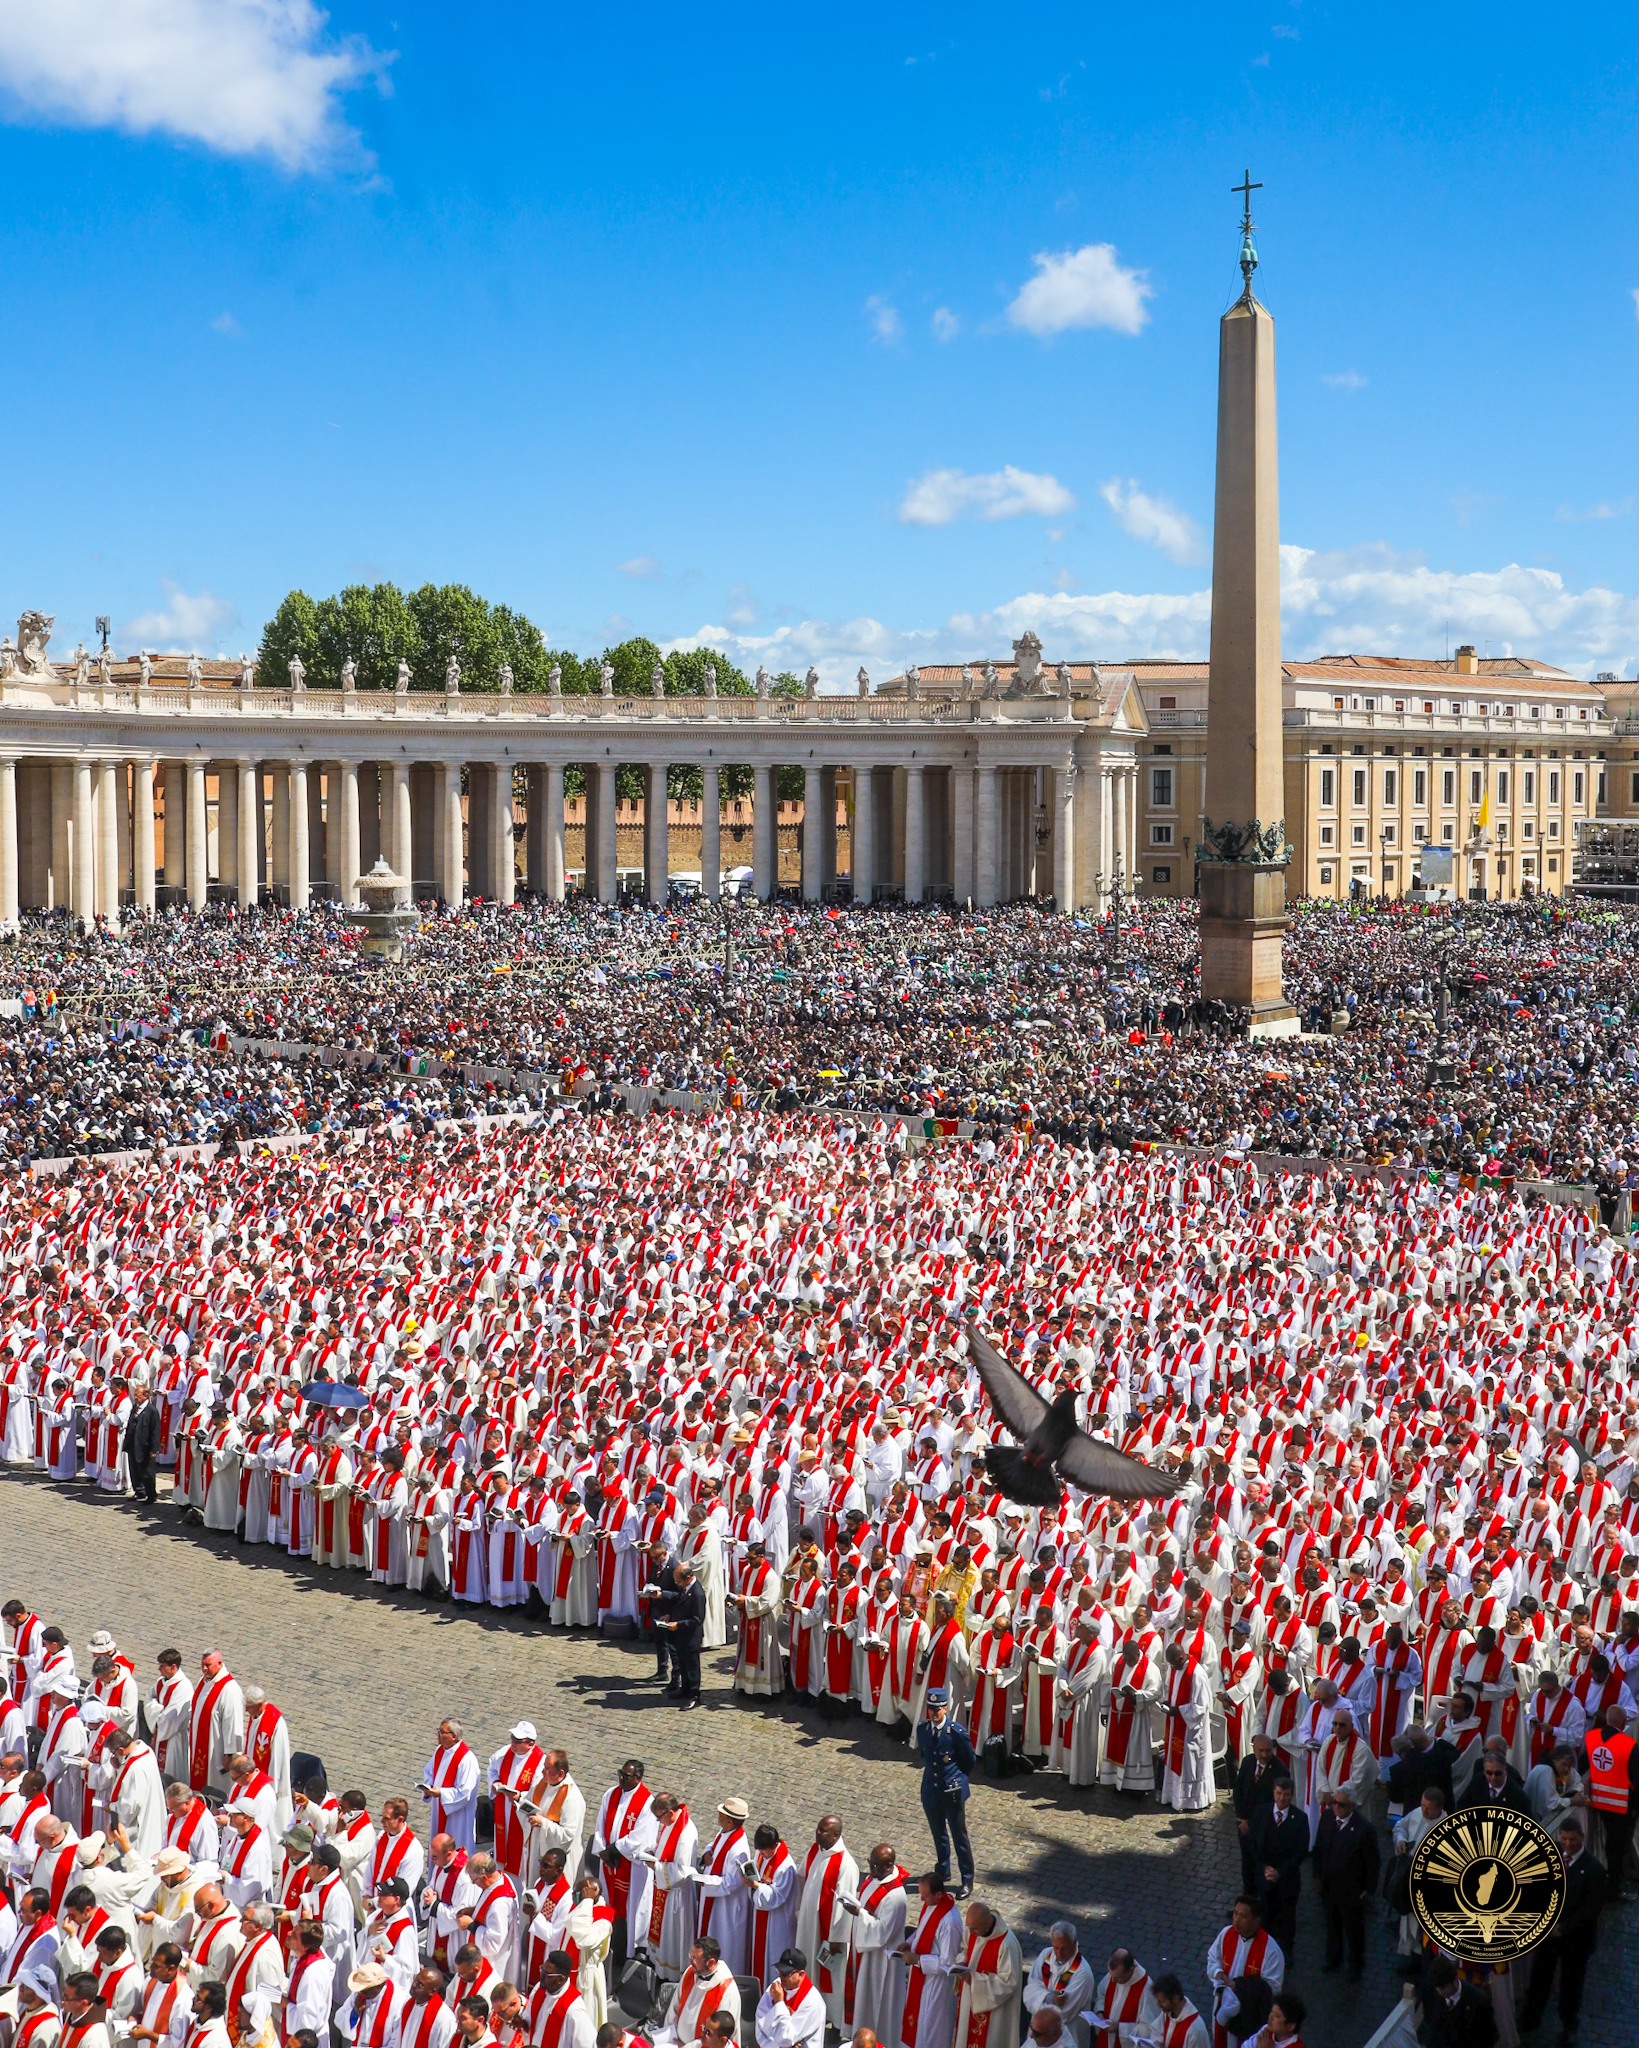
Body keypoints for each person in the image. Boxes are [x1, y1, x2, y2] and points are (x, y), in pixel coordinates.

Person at [1519, 1819, 1606, 2041]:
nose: (1567, 1844)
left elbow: (1591, 1909)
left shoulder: (1594, 1870)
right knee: (1540, 1977)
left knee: (1571, 1984)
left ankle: (1569, 2023)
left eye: (1572, 1840)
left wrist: (1563, 1928)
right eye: (1564, 1839)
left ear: (1582, 1838)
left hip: (1576, 1940)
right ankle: (1531, 2017)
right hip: (1548, 1936)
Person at [913, 1690, 976, 1898]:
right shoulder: (923, 1729)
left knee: (959, 1836)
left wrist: (956, 1779)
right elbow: (925, 1756)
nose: (933, 1714)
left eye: (937, 1709)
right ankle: (943, 1869)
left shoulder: (956, 1733)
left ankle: (967, 1878)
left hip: (951, 1791)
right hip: (931, 1790)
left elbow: (969, 1762)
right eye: (930, 1709)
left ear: (945, 1708)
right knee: (938, 1833)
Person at [1312, 1790, 1379, 1981]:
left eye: (1341, 1804)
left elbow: (1373, 1862)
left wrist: (1368, 1889)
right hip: (1329, 1886)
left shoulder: (1364, 1829)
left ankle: (1355, 1965)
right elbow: (1319, 1847)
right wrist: (1317, 1875)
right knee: (1332, 1925)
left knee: (1353, 1930)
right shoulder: (1327, 1817)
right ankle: (1333, 1958)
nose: (1336, 1807)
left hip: (1352, 1891)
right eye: (1334, 1803)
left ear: (1352, 1806)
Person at [949, 1901, 1021, 2048]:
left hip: (993, 2010)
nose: (970, 1932)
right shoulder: (973, 1929)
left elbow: (1009, 1982)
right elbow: (966, 1950)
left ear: (987, 1924)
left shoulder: (1007, 1944)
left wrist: (975, 1980)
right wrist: (962, 1962)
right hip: (969, 1999)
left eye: (974, 1929)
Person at [1246, 1779, 1305, 1959]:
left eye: (1286, 1794)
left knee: (1287, 1918)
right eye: (1279, 1793)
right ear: (1274, 1792)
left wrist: (1280, 1872)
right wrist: (1264, 1868)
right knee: (1265, 1915)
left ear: (1292, 1795)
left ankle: (1287, 1952)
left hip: (1287, 1881)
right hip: (1264, 1879)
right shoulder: (1261, 1812)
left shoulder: (1300, 1819)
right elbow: (1253, 1844)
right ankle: (1263, 1951)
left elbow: (1300, 1852)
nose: (1282, 1798)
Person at [1023, 1923, 1096, 2048]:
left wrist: (1039, 1997)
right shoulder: (1046, 1955)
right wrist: (1051, 1998)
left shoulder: (1082, 1973)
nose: (1059, 1953)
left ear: (1074, 1943)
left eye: (1064, 1948)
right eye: (1056, 1947)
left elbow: (1064, 2013)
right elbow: (1030, 1988)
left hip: (1067, 2033)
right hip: (1040, 2030)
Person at [1419, 1957, 1497, 2048]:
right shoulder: (1431, 1992)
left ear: (1454, 1979)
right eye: (1438, 1988)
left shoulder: (1478, 2001)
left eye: (1443, 1988)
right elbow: (1430, 2023)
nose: (1440, 1992)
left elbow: (1489, 2038)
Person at [754, 1948, 825, 2048]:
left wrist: (779, 2004)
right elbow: (761, 2027)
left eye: (786, 1973)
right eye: (779, 1971)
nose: (781, 1976)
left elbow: (786, 2039)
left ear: (801, 1974)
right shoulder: (775, 1988)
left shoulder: (812, 2002)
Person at [123, 1384, 162, 1505]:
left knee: (147, 1472)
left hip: (145, 1447)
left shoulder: (152, 1411)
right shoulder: (135, 1407)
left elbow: (155, 1431)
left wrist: (154, 1449)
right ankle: (139, 1491)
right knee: (134, 1469)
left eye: (138, 1395)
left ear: (145, 1396)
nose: (135, 1397)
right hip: (133, 1444)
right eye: (134, 1395)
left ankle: (151, 1495)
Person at [1149, 1973, 1210, 2048]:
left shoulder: (1195, 2030)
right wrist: (1158, 2043)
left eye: (1162, 2001)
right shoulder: (1169, 2010)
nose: (1158, 2004)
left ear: (1175, 1999)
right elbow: (1157, 2031)